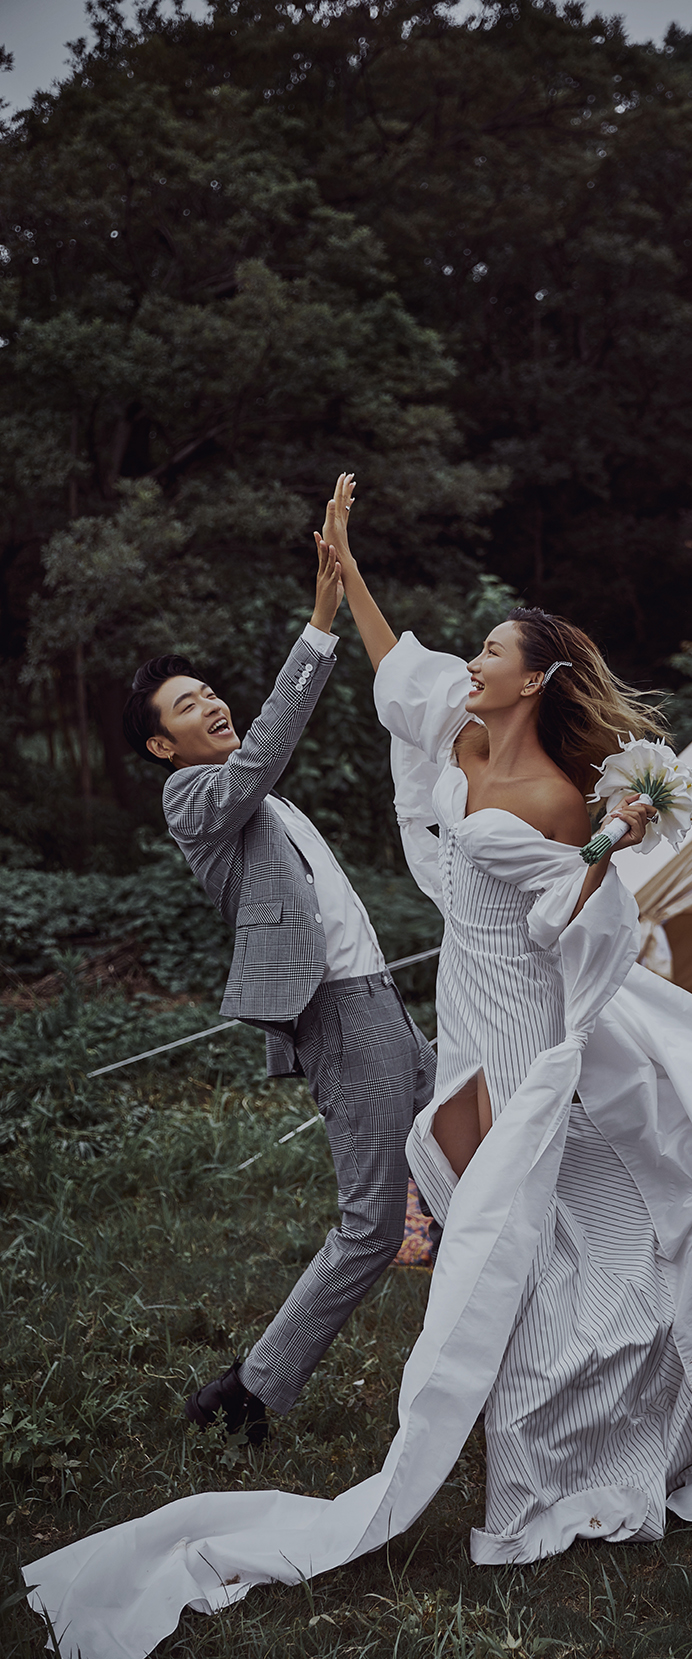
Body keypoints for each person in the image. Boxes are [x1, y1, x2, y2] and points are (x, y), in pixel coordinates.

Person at [25, 480, 692, 1659]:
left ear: (533, 680)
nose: (470, 663)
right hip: (403, 1016)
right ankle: (302, 1395)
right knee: (428, 1223)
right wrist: (336, 595)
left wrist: (608, 842)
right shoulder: (260, 781)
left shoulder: (547, 786)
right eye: (184, 704)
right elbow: (379, 688)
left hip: (477, 1016)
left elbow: (558, 896)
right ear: (162, 745)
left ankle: (573, 1399)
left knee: (508, 1211)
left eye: (490, 653)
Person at [118, 520, 435, 1443]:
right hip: (339, 1014)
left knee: (467, 1165)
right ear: (163, 747)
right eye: (187, 706)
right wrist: (321, 621)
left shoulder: (254, 794)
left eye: (207, 690)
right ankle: (246, 1390)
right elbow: (262, 751)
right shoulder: (196, 798)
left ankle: (499, 1340)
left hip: (380, 1000)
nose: (209, 704)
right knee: (372, 1228)